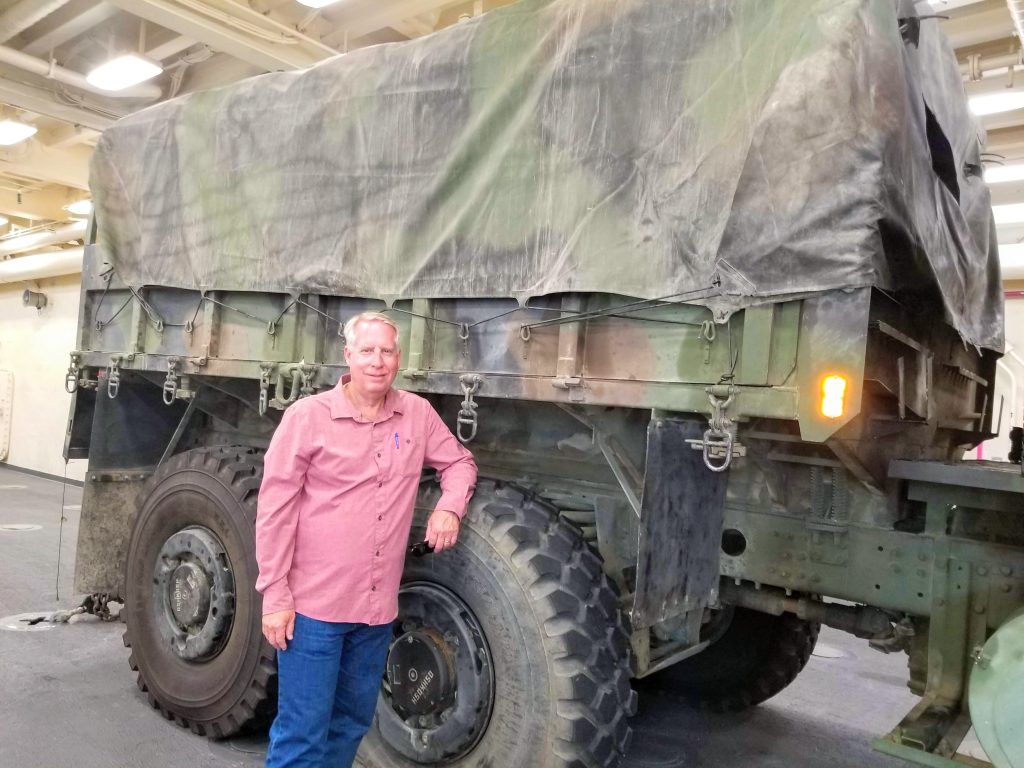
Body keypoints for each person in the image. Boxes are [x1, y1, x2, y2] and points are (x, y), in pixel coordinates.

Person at [255, 310, 478, 768]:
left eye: (387, 351)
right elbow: (275, 511)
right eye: (368, 351)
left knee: (351, 725)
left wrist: (449, 507)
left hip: (375, 614)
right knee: (302, 734)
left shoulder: (416, 414)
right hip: (313, 612)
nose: (378, 361)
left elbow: (459, 463)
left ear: (398, 358)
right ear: (348, 356)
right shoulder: (307, 418)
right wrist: (275, 594)